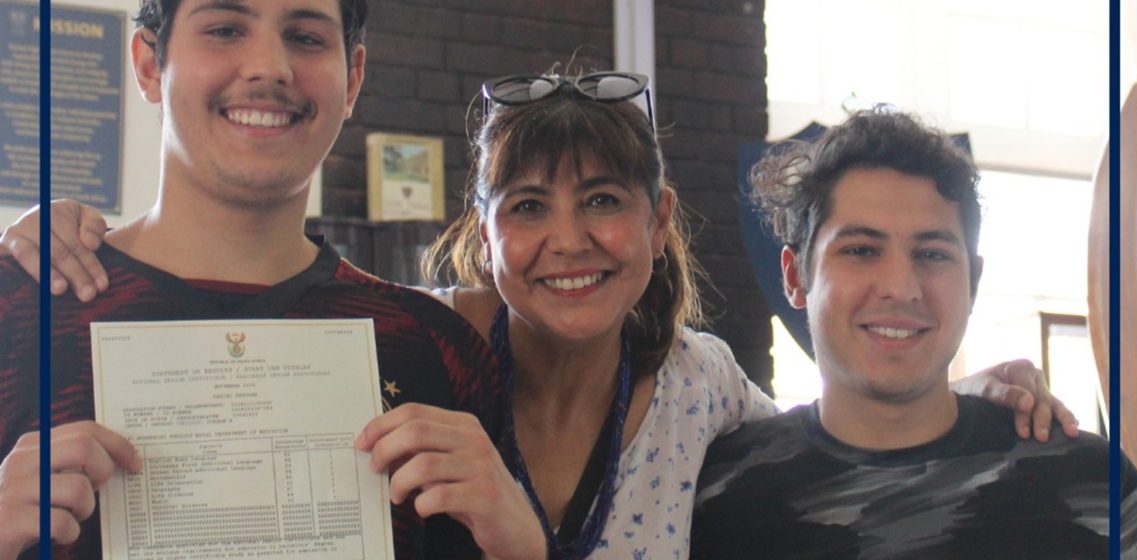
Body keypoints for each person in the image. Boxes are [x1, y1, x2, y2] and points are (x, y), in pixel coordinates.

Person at [4, 77, 1078, 558]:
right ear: (485, 235)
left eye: (603, 201)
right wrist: (53, 230)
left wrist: (976, 388)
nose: (568, 240)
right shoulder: (397, 352)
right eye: (528, 206)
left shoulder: (700, 385)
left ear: (657, 221)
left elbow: (834, 421)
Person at [0, 1, 544, 559]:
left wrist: (524, 552)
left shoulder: (437, 352)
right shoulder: (21, 310)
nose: (269, 66)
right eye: (225, 29)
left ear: (352, 78)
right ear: (147, 63)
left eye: (306, 37)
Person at [690, 109, 1137, 558]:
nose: (900, 287)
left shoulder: (1095, 487)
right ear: (795, 277)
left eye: (932, 254)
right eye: (860, 250)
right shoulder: (716, 503)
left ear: (973, 281)